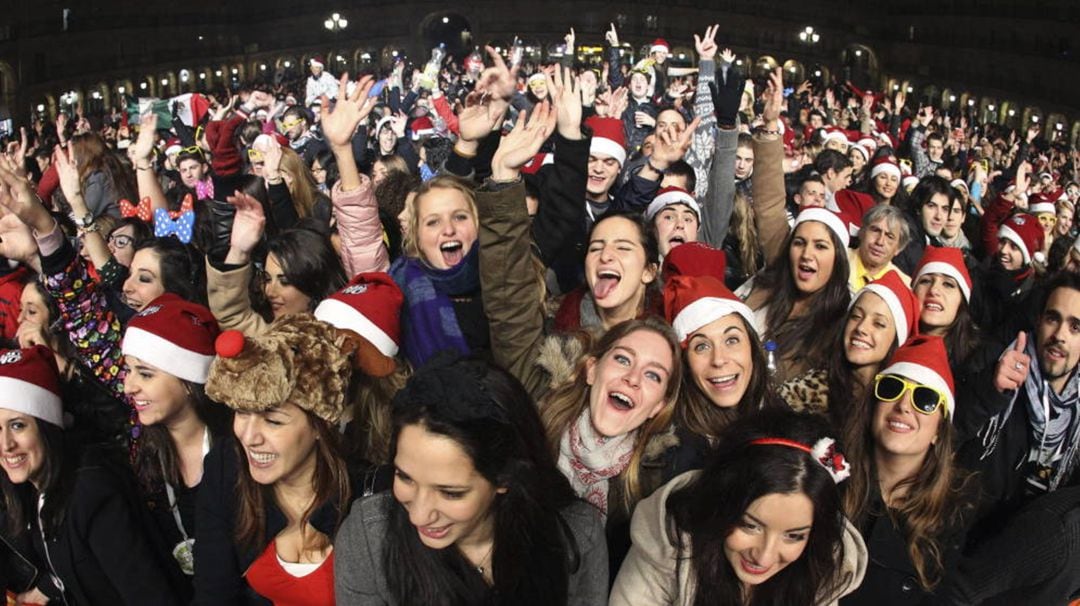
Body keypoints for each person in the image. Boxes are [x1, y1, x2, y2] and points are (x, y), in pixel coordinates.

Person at [334, 355, 609, 605]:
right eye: (405, 477)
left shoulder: (574, 534)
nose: (418, 516)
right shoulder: (369, 538)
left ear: (505, 477)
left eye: (450, 493)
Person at [610, 408, 867, 605]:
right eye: (750, 525)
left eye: (794, 536)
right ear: (722, 501)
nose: (764, 556)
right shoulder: (668, 536)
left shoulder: (824, 566)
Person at [0, 345, 189, 604]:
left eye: (18, 425)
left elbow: (150, 596)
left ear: (48, 425)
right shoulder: (35, 489)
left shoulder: (91, 491)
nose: (6, 444)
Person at [195, 313, 361, 604]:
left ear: (321, 425)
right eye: (242, 412)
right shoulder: (226, 469)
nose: (248, 436)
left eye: (273, 421)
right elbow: (213, 596)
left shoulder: (363, 497)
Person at [840, 335, 976, 605]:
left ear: (939, 430)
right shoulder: (829, 478)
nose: (903, 405)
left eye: (924, 399)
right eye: (891, 388)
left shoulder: (953, 515)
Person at [122, 293, 232, 579]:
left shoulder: (236, 447)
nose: (128, 386)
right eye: (128, 371)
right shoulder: (145, 454)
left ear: (188, 382)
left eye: (145, 374)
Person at [663, 272, 778, 474]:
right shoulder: (678, 450)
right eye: (701, 346)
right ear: (685, 363)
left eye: (731, 340)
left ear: (752, 347)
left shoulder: (779, 411)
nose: (718, 360)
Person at [740, 207, 852, 381]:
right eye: (799, 243)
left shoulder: (840, 326)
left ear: (838, 259)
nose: (806, 254)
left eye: (820, 246)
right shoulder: (763, 287)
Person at [847, 204, 912, 291]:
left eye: (889, 236)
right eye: (875, 230)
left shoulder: (904, 285)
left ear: (899, 248)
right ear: (862, 232)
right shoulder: (837, 259)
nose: (880, 242)